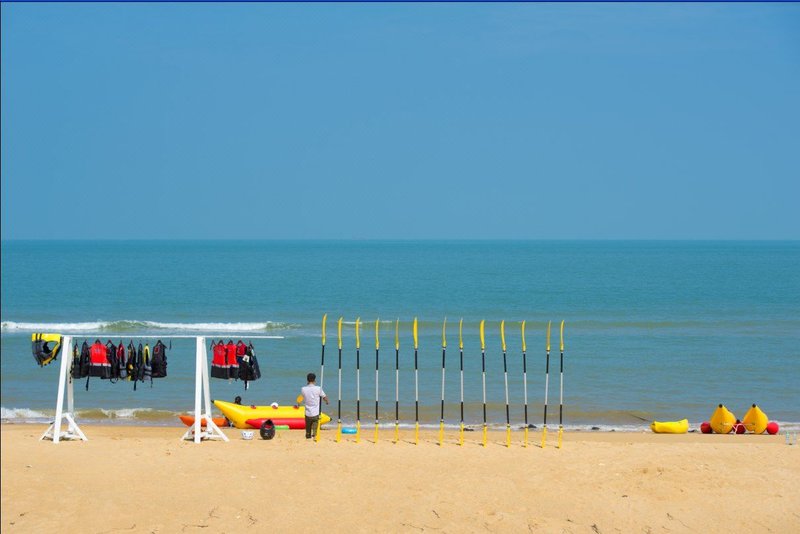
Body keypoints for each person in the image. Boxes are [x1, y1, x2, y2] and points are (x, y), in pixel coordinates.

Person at [301, 372, 328, 439]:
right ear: (314, 380)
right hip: (315, 413)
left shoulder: (303, 389)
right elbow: (324, 397)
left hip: (307, 413)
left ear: (307, 380)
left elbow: (302, 397)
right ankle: (314, 436)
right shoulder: (318, 388)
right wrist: (327, 402)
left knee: (308, 427)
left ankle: (308, 436)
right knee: (315, 426)